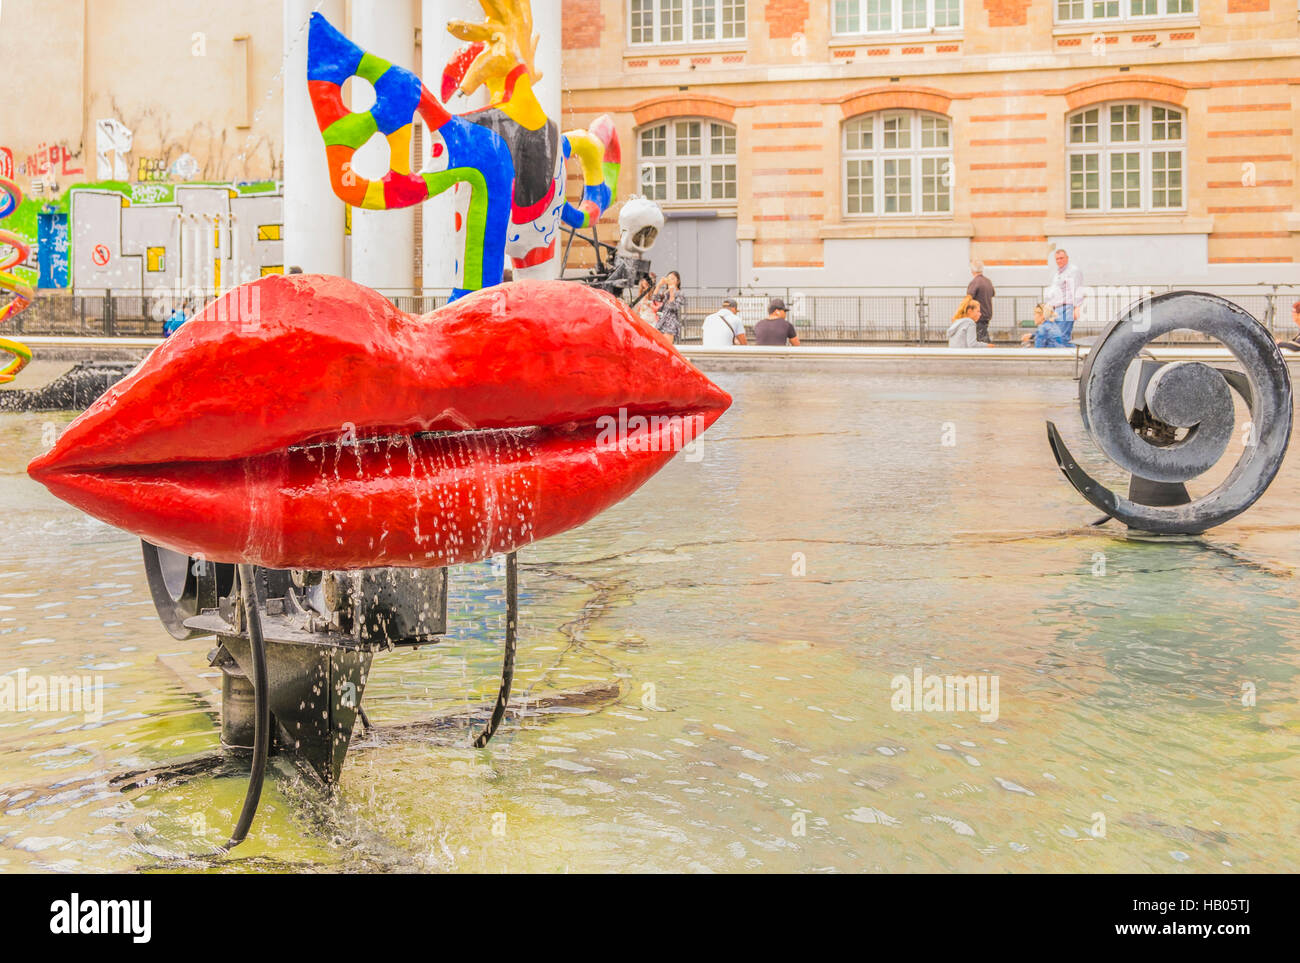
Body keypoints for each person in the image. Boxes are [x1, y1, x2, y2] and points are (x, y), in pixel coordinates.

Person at [1045, 248, 1082, 342]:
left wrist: (1077, 307)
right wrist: (1049, 305)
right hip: (1056, 309)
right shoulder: (1057, 273)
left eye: (1061, 258)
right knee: (1057, 337)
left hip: (1067, 308)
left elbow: (1076, 289)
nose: (1059, 261)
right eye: (1057, 259)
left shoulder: (1073, 271)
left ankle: (1074, 354)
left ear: (1067, 258)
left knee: (1062, 337)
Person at [966, 259, 995, 344]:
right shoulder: (988, 281)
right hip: (987, 313)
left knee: (981, 338)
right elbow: (993, 293)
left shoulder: (974, 282)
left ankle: (990, 352)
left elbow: (969, 297)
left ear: (972, 270)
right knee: (983, 334)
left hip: (978, 314)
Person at [651, 270, 683, 344]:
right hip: (661, 321)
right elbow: (654, 298)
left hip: (670, 323)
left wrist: (672, 293)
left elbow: (673, 307)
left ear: (678, 281)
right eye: (668, 278)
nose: (670, 281)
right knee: (659, 347)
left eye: (672, 279)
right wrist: (659, 285)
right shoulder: (666, 292)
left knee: (667, 347)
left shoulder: (680, 293)